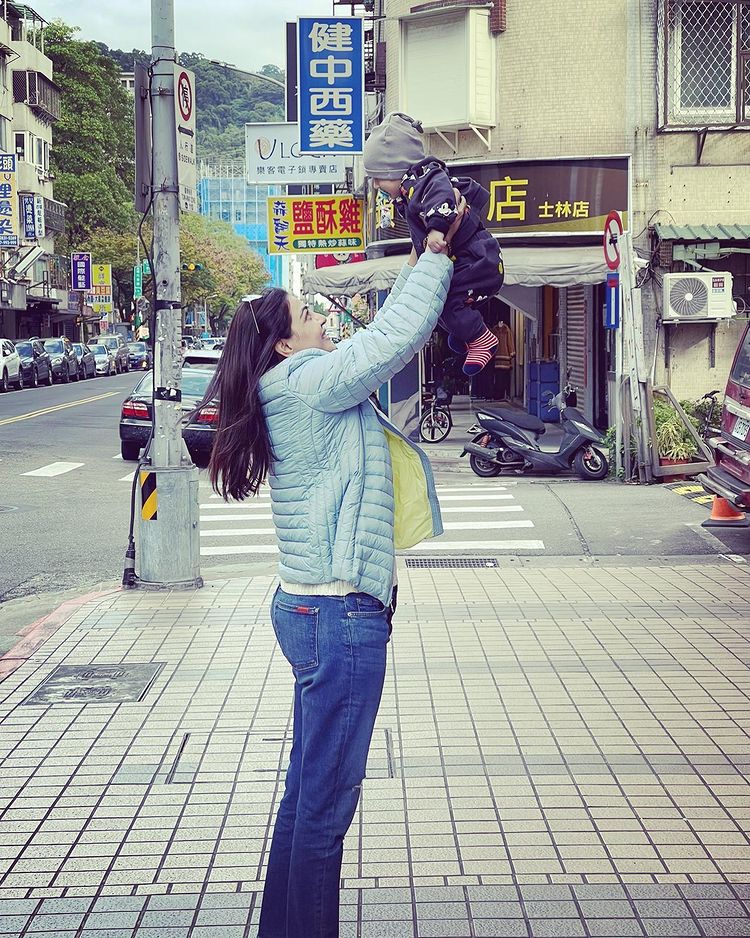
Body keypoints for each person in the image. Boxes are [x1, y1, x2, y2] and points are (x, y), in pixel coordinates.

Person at [204, 238, 460, 937]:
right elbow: (391, 340)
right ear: (285, 344)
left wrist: (416, 261)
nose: (318, 316)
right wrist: (435, 259)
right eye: (305, 311)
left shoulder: (288, 382)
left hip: (315, 606)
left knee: (306, 798)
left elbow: (377, 340)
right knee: (324, 810)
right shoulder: (307, 379)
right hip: (339, 613)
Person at [363, 111, 505, 377]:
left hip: (477, 262)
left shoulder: (427, 179)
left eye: (379, 176)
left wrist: (438, 230)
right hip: (471, 262)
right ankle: (466, 333)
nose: (376, 184)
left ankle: (480, 338)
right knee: (436, 301)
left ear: (397, 169)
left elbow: (442, 199)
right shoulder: (411, 191)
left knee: (448, 303)